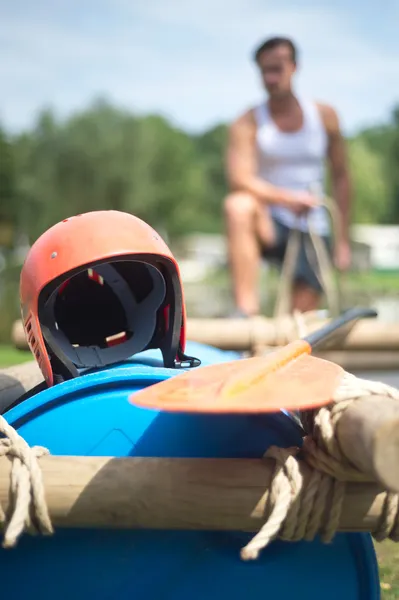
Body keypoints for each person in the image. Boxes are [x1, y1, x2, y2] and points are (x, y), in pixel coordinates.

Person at [223, 36, 352, 317]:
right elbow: (239, 178)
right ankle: (245, 313)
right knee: (238, 206)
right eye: (265, 70)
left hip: (313, 226)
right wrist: (287, 199)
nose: (271, 77)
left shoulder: (325, 116)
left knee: (301, 318)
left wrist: (343, 240)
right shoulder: (248, 121)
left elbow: (341, 176)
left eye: (277, 68)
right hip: (269, 222)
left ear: (294, 67)